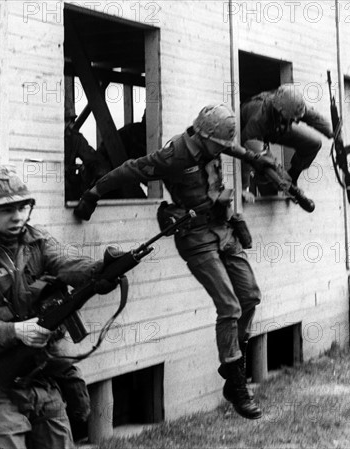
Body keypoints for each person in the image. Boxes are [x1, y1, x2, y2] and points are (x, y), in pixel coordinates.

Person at [74, 104, 278, 420]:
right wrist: (93, 193)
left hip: (224, 228)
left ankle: (232, 365)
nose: (222, 151)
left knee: (250, 296)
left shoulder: (214, 142)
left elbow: (233, 148)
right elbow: (131, 169)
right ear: (202, 135)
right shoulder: (175, 155)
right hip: (196, 238)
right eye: (218, 146)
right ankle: (237, 383)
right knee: (229, 306)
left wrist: (256, 159)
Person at [0, 164, 117, 448]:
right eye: (7, 210)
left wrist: (101, 270)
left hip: (43, 373)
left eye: (23, 207)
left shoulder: (39, 243)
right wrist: (16, 332)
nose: (18, 216)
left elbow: (68, 264)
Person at [240, 83, 333, 201]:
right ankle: (274, 182)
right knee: (274, 173)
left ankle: (292, 179)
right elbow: (247, 150)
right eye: (293, 116)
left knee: (314, 143)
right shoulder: (260, 116)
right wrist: (244, 188)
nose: (296, 119)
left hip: (277, 128)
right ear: (280, 110)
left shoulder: (292, 103)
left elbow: (313, 117)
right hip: (252, 137)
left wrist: (332, 133)